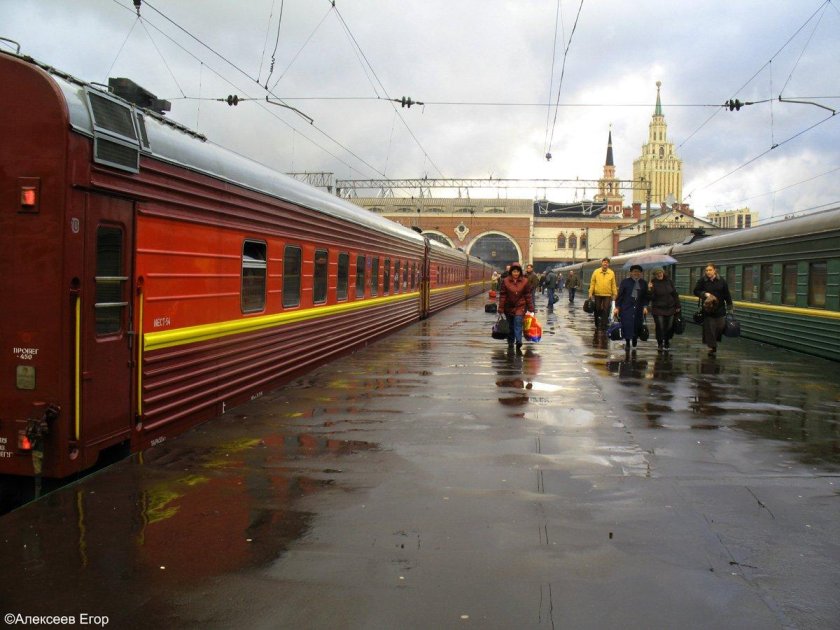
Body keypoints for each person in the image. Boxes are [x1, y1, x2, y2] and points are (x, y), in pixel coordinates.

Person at [693, 262, 733, 355]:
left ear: (715, 270)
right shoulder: (703, 281)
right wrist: (704, 294)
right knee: (710, 328)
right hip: (708, 309)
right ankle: (712, 347)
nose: (708, 272)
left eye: (710, 270)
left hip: (720, 309)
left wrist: (730, 306)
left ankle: (713, 342)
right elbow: (696, 291)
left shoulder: (722, 281)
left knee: (720, 326)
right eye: (706, 270)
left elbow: (727, 294)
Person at [498, 262, 535, 352]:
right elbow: (503, 295)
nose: (516, 273)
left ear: (520, 272)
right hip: (508, 306)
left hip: (520, 306)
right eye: (514, 271)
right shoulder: (505, 281)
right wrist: (501, 307)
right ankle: (511, 341)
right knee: (510, 325)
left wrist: (531, 307)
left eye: (517, 272)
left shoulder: (525, 281)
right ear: (511, 272)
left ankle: (518, 341)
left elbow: (527, 295)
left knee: (518, 323)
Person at [614, 264, 649, 351]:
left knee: (637, 325)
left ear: (641, 273)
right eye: (634, 272)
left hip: (638, 308)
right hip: (626, 308)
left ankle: (634, 339)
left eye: (638, 272)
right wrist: (617, 307)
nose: (636, 273)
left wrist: (645, 306)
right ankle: (627, 342)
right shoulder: (625, 282)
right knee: (627, 325)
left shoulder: (643, 283)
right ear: (631, 273)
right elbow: (620, 296)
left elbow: (646, 297)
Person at [648, 267, 681, 351]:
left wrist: (678, 306)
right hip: (658, 309)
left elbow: (675, 294)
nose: (659, 274)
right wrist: (650, 289)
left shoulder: (669, 281)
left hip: (670, 308)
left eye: (660, 273)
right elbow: (651, 298)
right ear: (655, 275)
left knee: (669, 326)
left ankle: (666, 341)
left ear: (663, 273)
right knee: (660, 326)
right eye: (657, 274)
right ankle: (660, 343)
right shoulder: (652, 283)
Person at [589, 258, 617, 328]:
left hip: (607, 294)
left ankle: (603, 325)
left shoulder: (611, 273)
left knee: (606, 309)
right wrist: (590, 293)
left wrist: (615, 294)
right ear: (602, 263)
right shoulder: (596, 272)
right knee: (597, 309)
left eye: (607, 262)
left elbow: (613, 284)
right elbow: (592, 283)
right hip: (597, 294)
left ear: (608, 264)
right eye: (604, 262)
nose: (605, 264)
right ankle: (597, 323)